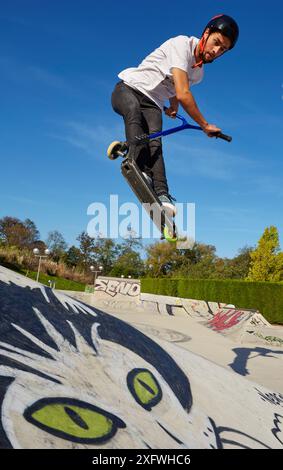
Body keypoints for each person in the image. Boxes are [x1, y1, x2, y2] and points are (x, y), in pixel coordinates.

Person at [111, 14, 239, 215]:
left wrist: (174, 107)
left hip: (153, 104)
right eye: (216, 43)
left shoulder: (198, 73)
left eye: (222, 50)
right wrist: (204, 125)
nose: (216, 51)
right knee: (134, 113)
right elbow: (183, 92)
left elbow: (175, 88)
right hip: (128, 90)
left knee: (156, 142)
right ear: (206, 34)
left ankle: (162, 194)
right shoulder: (182, 45)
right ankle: (139, 166)